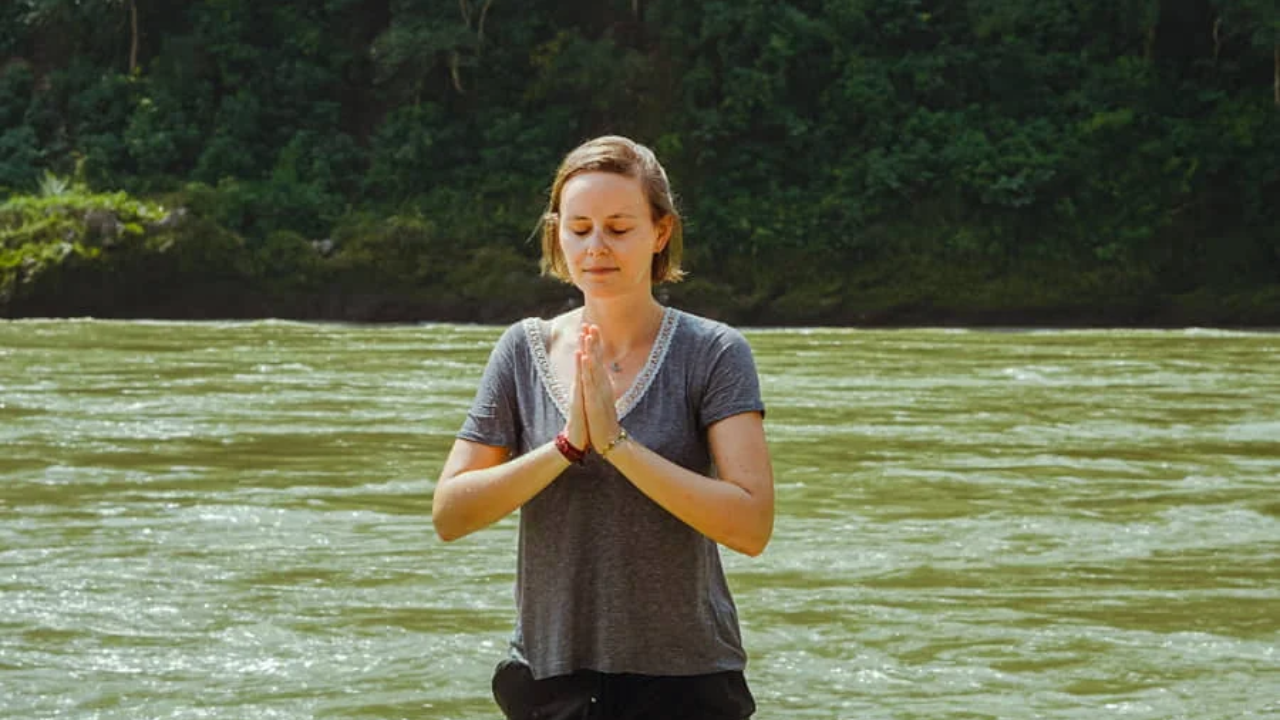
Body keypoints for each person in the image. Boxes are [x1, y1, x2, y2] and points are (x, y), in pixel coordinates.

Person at [432, 135, 774, 720]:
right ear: (557, 234)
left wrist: (617, 444)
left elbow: (751, 525)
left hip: (686, 683)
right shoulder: (522, 350)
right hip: (549, 679)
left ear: (660, 233)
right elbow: (451, 514)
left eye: (619, 228)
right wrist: (566, 447)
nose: (596, 247)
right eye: (580, 227)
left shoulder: (713, 352)